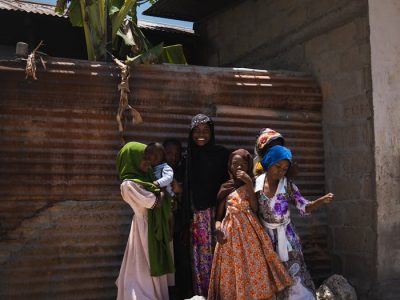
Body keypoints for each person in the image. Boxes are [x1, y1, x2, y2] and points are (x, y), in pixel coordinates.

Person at [208, 149, 293, 300]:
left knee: (254, 265)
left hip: (251, 233)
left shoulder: (254, 183)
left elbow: (255, 208)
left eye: (243, 164)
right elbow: (218, 217)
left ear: (248, 166)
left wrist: (248, 183)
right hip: (230, 236)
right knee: (233, 269)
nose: (239, 167)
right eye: (235, 164)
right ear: (229, 165)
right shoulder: (225, 187)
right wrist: (218, 228)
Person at [255, 145, 334, 300]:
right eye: (277, 166)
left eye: (284, 169)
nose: (281, 171)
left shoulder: (288, 185)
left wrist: (321, 200)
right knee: (273, 274)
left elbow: (304, 206)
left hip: (288, 236)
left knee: (295, 272)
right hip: (266, 238)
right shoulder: (256, 184)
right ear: (269, 162)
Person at [115, 142, 174, 300]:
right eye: (143, 158)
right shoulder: (129, 185)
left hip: (151, 226)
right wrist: (162, 191)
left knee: (149, 268)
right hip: (144, 230)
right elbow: (154, 203)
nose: (147, 161)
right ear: (131, 160)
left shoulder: (146, 178)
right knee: (142, 269)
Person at [183, 114, 230, 297]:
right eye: (196, 131)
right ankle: (203, 294)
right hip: (197, 216)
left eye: (205, 131)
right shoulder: (188, 157)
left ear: (212, 133)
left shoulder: (222, 154)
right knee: (201, 256)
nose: (200, 135)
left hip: (220, 213)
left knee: (221, 252)